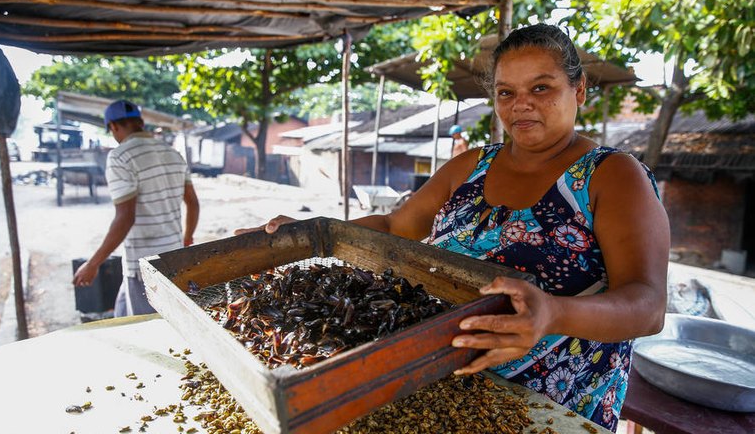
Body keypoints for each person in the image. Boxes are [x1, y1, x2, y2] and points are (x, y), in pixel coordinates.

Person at [239, 24, 669, 432]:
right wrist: (316, 233)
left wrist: (554, 313)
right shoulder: (471, 166)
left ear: (578, 90)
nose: (521, 104)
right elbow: (394, 225)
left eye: (541, 87)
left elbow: (647, 306)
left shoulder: (612, 176)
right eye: (506, 92)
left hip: (546, 407)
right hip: (441, 384)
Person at [73, 100, 200, 317]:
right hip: (174, 257)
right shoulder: (173, 154)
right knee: (122, 312)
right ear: (141, 122)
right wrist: (187, 237)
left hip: (144, 265)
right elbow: (193, 203)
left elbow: (125, 218)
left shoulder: (120, 157)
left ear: (113, 126)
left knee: (148, 329)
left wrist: (93, 264)